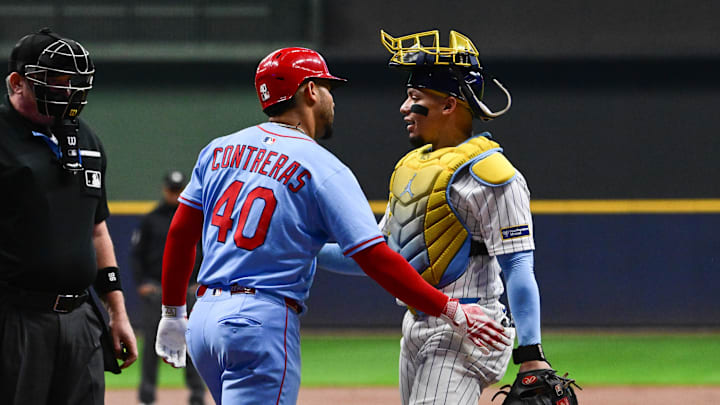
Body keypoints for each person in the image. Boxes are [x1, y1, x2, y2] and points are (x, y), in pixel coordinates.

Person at [154, 47, 513, 405]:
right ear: (310, 91)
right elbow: (376, 257)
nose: (331, 99)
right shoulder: (322, 167)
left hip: (203, 321)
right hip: (256, 325)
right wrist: (449, 308)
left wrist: (172, 311)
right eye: (327, 88)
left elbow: (181, 233)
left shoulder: (218, 150)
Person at [317, 29, 576, 404]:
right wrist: (302, 252)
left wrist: (531, 353)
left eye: (415, 97)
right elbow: (376, 256)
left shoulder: (492, 174)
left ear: (449, 105)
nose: (405, 108)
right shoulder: (411, 168)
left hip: (471, 329)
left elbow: (518, 265)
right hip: (416, 326)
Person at [0, 28, 137, 404]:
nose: (68, 93)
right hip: (16, 318)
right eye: (55, 83)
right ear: (17, 83)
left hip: (80, 317)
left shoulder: (87, 140)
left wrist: (117, 313)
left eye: (74, 83)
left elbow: (97, 231)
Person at [131, 170, 205, 405]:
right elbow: (136, 255)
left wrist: (202, 282)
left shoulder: (195, 217)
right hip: (157, 291)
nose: (175, 195)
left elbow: (207, 252)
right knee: (152, 345)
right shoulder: (151, 219)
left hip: (188, 291)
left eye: (179, 190)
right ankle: (146, 398)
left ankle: (197, 396)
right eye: (172, 190)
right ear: (165, 190)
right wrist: (142, 283)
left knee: (193, 344)